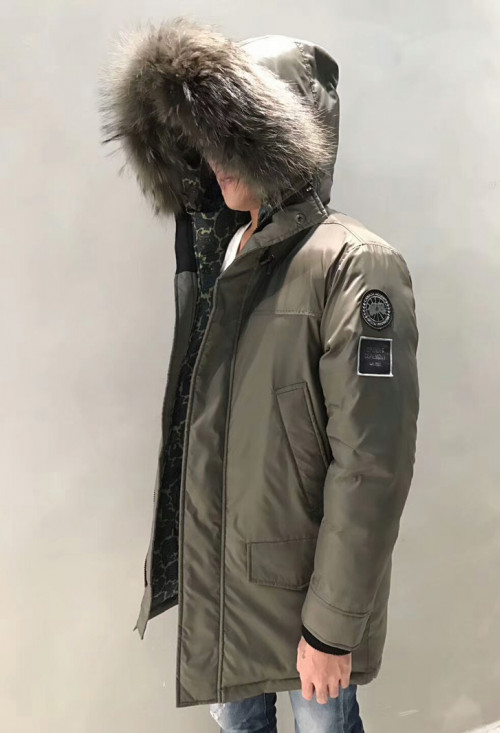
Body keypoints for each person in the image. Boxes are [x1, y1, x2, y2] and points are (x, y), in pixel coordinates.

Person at [99, 15, 419, 733]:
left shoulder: (356, 266)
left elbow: (372, 464)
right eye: (209, 139)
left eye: (235, 138)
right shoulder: (228, 253)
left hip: (305, 602)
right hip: (226, 588)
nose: (218, 159)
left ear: (282, 140)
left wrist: (333, 627)